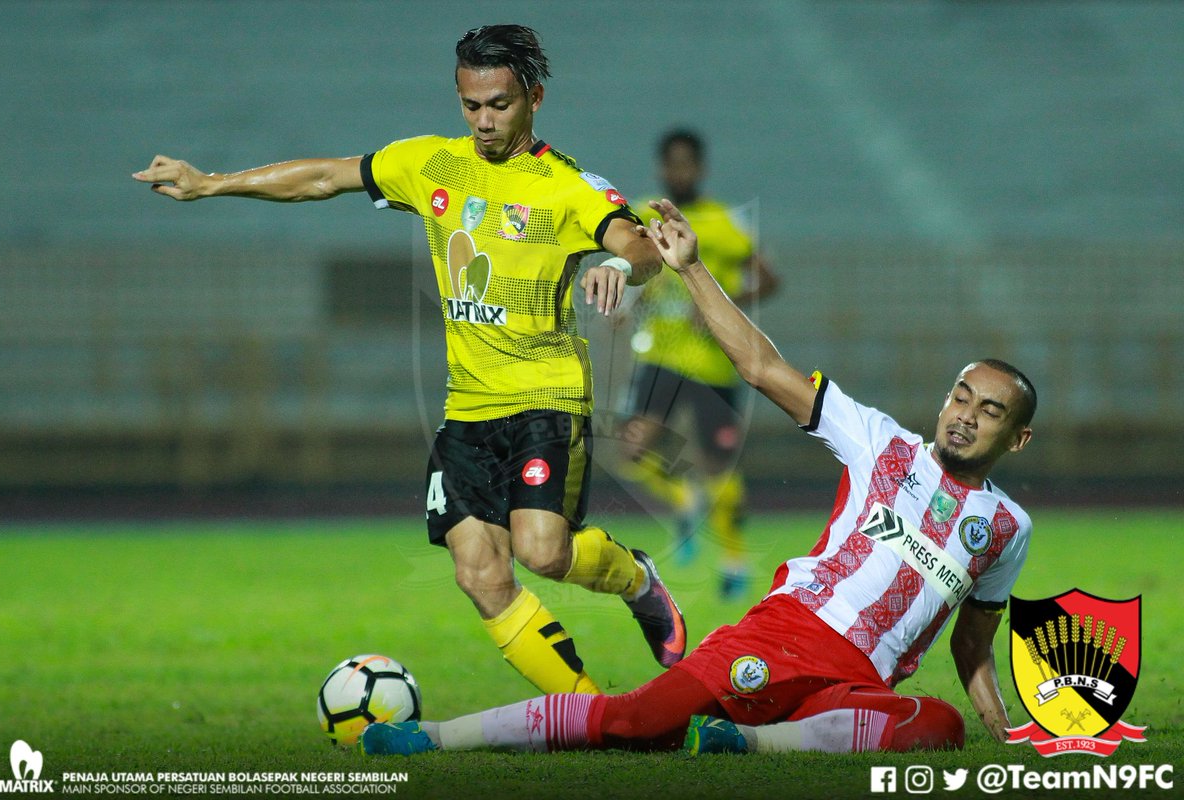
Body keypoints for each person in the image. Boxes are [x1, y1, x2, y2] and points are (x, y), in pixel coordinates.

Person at [361, 198, 1036, 757]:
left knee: (938, 727)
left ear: (1017, 437)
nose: (965, 416)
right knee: (634, 725)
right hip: (789, 634)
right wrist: (691, 271)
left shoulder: (1007, 528)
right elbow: (764, 368)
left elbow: (972, 640)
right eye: (960, 396)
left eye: (989, 411)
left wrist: (997, 718)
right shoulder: (882, 443)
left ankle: (745, 741)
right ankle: (435, 738)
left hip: (861, 681)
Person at [132, 25, 686, 696]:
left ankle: (638, 580)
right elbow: (324, 178)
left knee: (544, 552)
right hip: (468, 410)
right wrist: (209, 184)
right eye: (471, 104)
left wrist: (621, 269)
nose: (484, 120)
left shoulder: (567, 184)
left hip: (546, 396)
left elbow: (640, 243)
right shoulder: (431, 165)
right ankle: (589, 712)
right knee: (478, 572)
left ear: (534, 98)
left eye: (500, 105)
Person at [619, 130, 778, 597]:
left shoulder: (724, 225)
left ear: (701, 169)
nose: (679, 173)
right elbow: (634, 267)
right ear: (661, 168)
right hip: (659, 356)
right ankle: (683, 501)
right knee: (632, 450)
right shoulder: (643, 213)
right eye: (672, 164)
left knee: (720, 469)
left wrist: (722, 306)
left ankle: (734, 559)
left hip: (714, 364)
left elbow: (768, 279)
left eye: (687, 165)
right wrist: (626, 303)